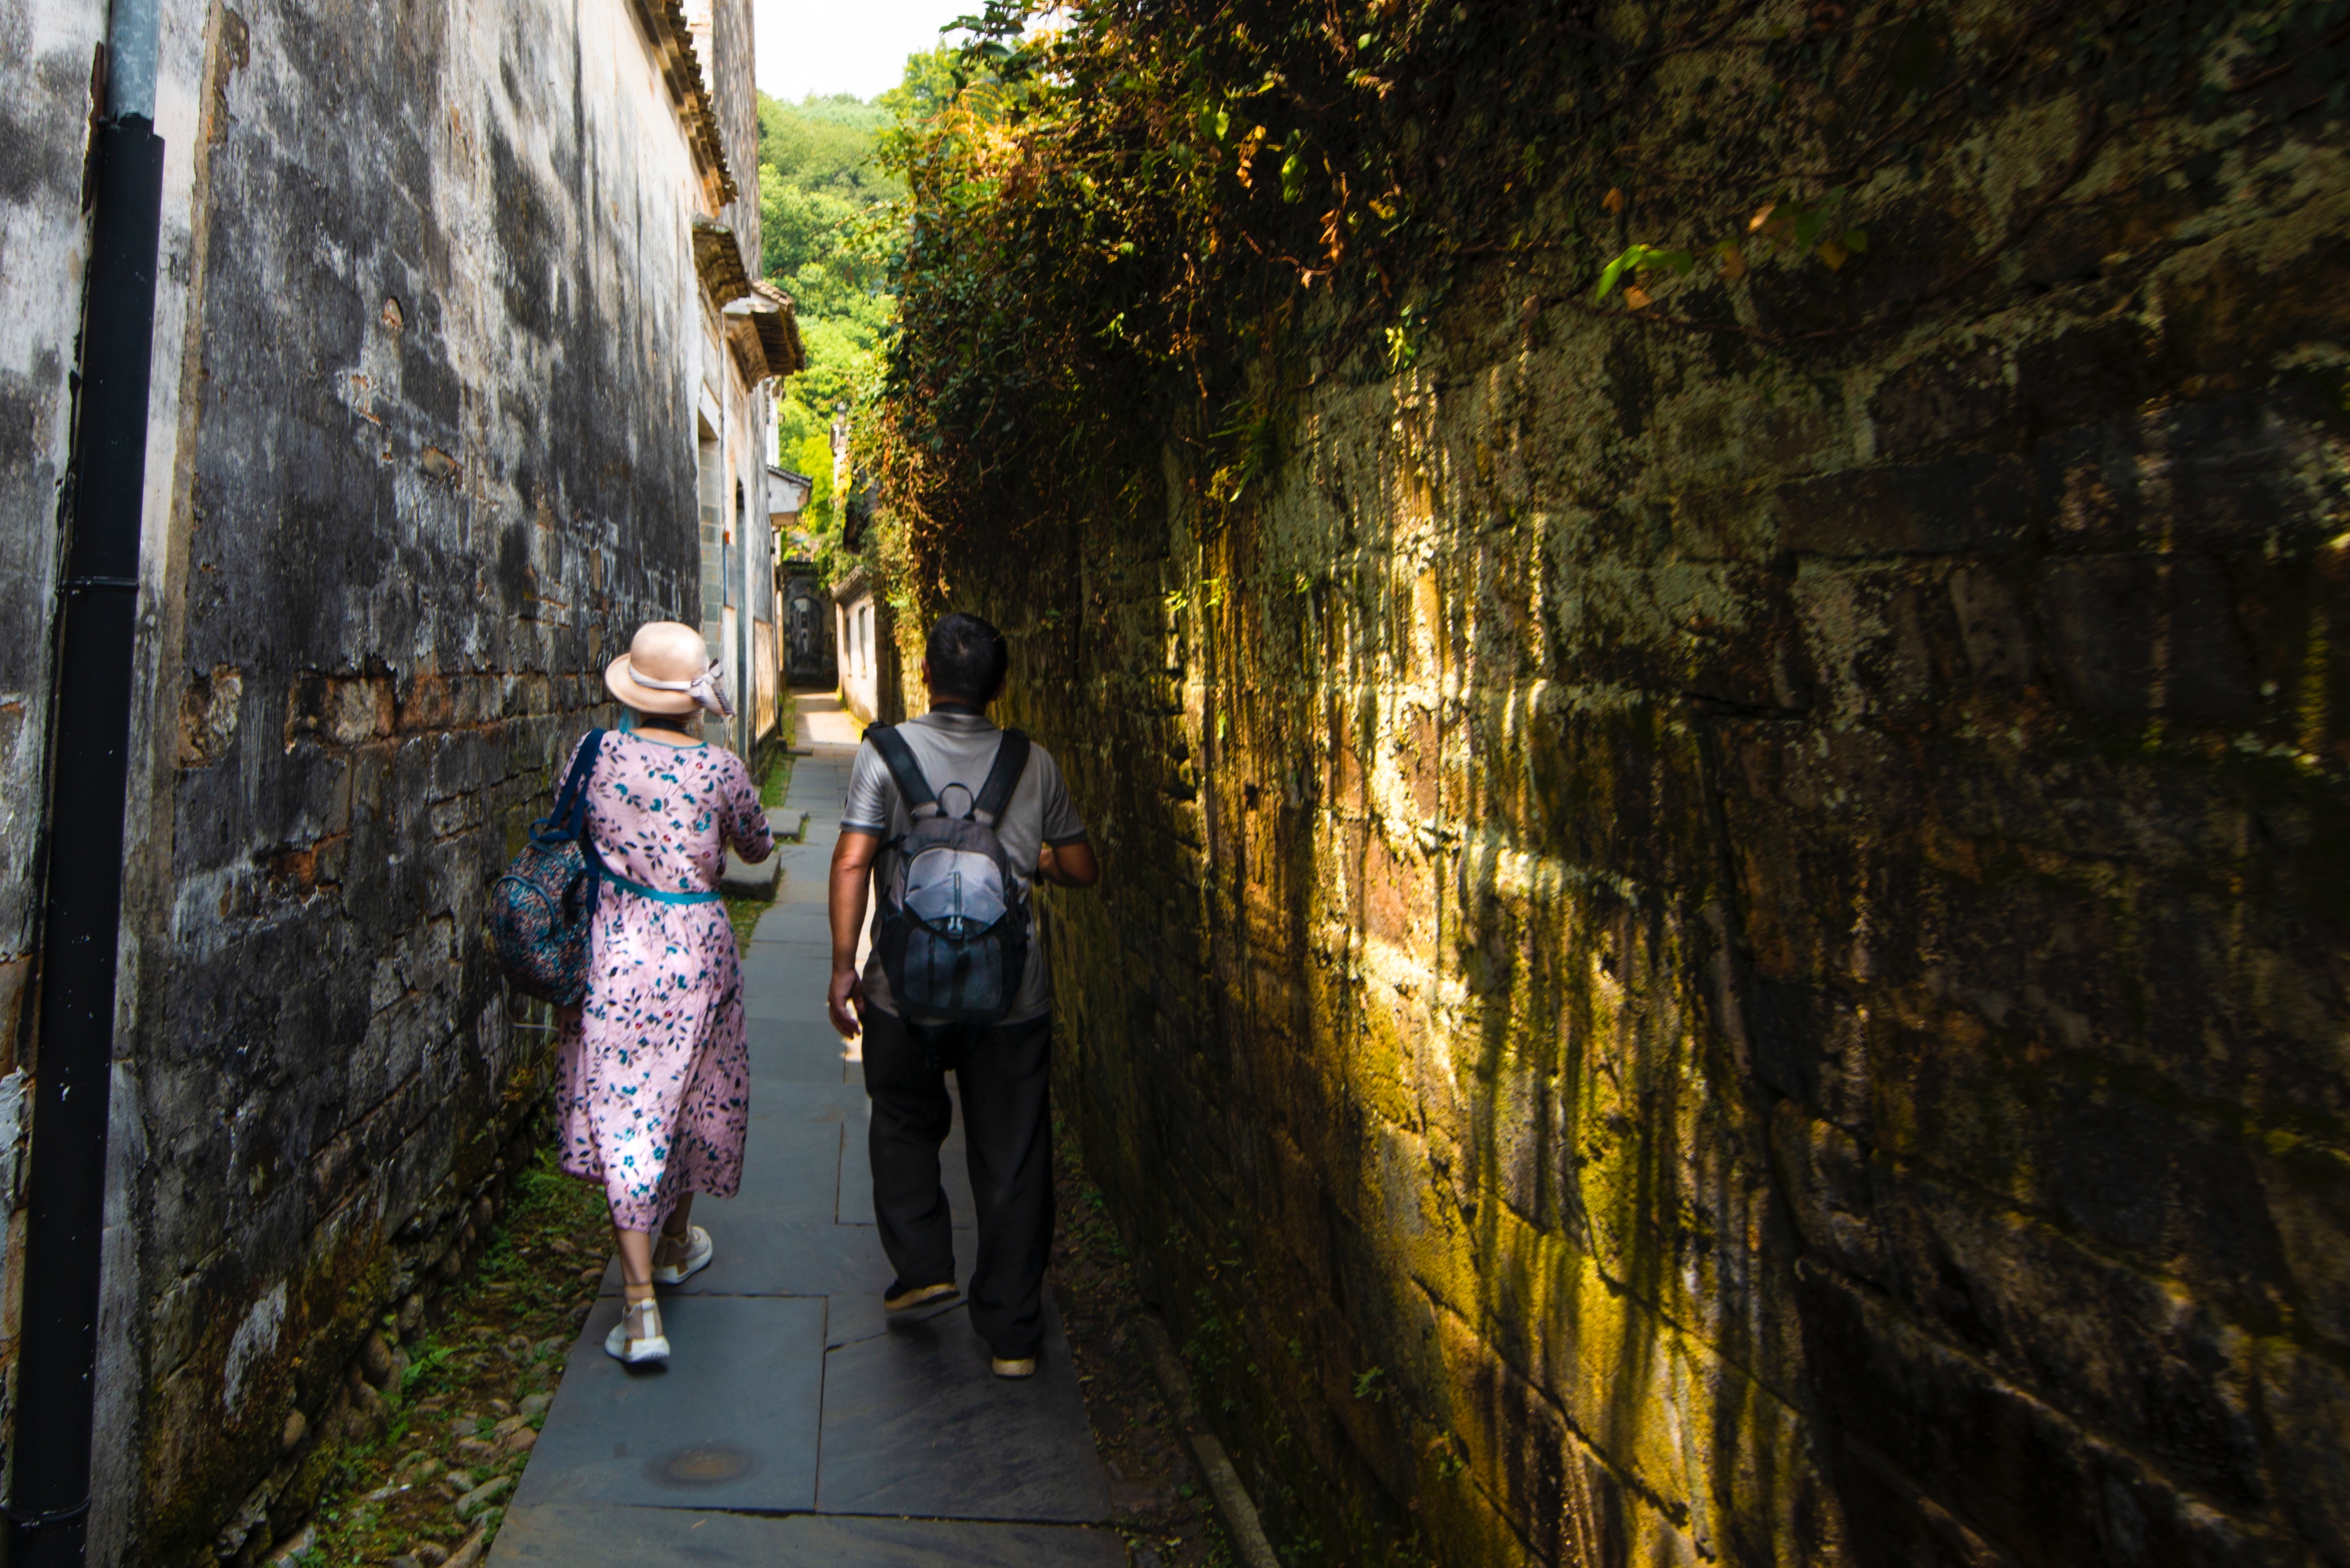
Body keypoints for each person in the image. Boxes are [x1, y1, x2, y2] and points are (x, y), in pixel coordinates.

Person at [827, 613, 1099, 1379]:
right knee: (1011, 1157)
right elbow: (1082, 867)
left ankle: (922, 1266)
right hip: (1011, 999)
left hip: (900, 993)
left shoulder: (884, 754)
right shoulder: (1032, 763)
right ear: (997, 685)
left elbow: (852, 861)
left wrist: (844, 967)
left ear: (924, 673)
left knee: (904, 1122)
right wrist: (1035, 859)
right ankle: (1012, 1337)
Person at [557, 620, 774, 1364]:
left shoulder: (594, 754)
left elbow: (569, 830)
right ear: (693, 701)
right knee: (695, 1092)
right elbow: (756, 846)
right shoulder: (722, 768)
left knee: (628, 1107)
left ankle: (641, 1303)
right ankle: (677, 1241)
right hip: (699, 949)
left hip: (617, 944)